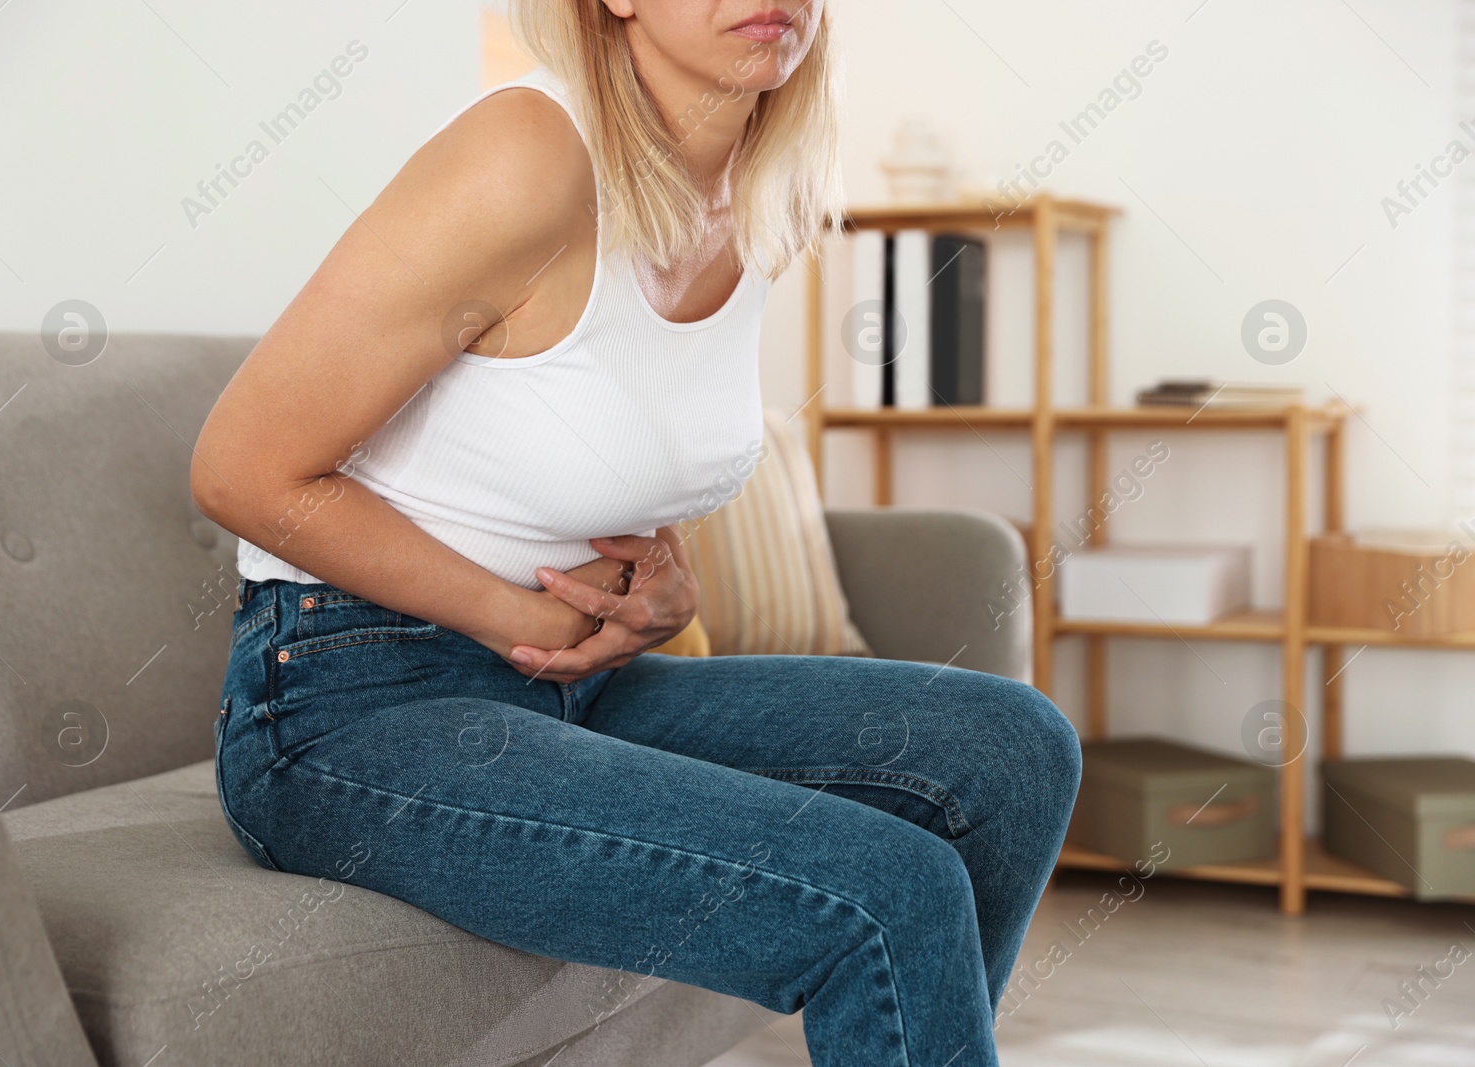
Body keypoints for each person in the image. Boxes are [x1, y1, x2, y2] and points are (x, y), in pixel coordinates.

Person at [190, 2, 1081, 1063]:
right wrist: (511, 612)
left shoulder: (761, 187)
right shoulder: (526, 156)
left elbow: (591, 446)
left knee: (1015, 749)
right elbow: (241, 467)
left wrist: (663, 585)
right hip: (346, 703)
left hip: (576, 686)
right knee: (886, 888)